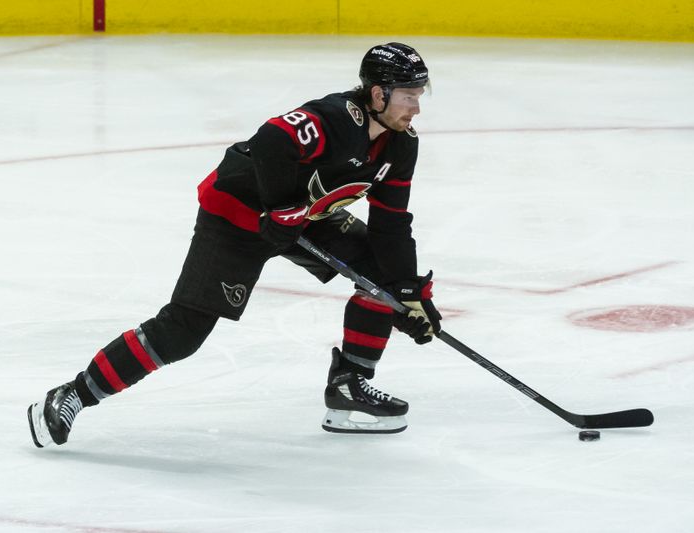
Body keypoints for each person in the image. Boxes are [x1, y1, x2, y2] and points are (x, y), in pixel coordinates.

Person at [27, 42, 442, 446]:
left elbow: (392, 223)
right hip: (238, 213)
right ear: (378, 93)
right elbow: (272, 141)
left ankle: (348, 387)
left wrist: (405, 292)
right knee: (183, 332)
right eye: (409, 96)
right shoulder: (335, 118)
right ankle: (72, 394)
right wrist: (281, 209)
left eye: (419, 95)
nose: (416, 107)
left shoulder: (401, 145)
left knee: (380, 275)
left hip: (305, 217)